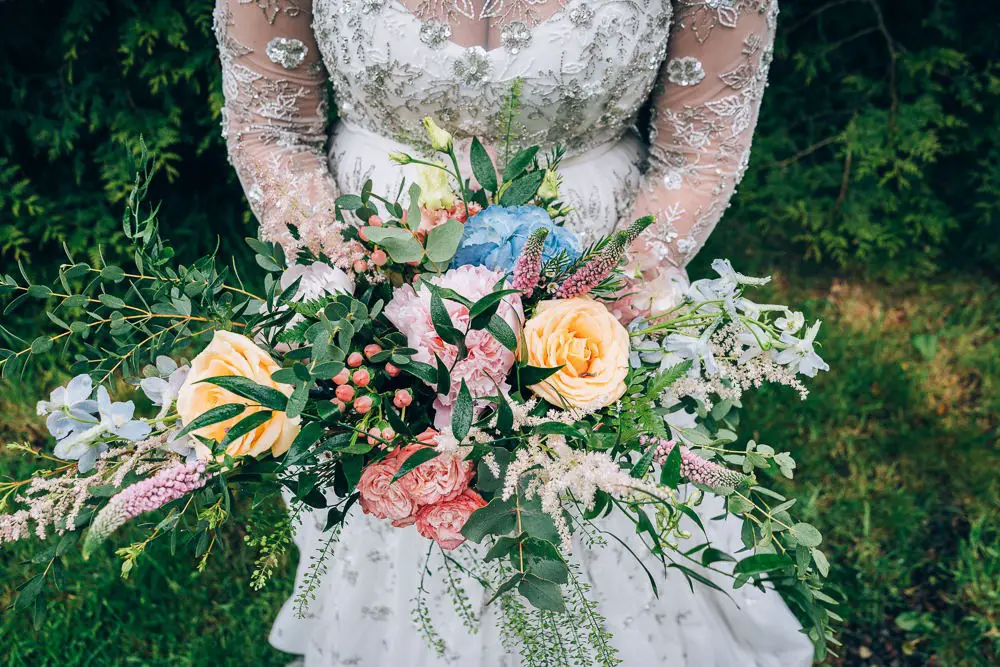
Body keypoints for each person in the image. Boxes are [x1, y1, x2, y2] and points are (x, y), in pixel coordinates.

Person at [213, 1, 814, 664]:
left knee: (594, 516)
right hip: (374, 275)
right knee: (399, 506)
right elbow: (273, 130)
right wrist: (348, 285)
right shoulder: (364, 295)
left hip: (598, 278)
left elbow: (698, 152)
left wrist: (588, 304)